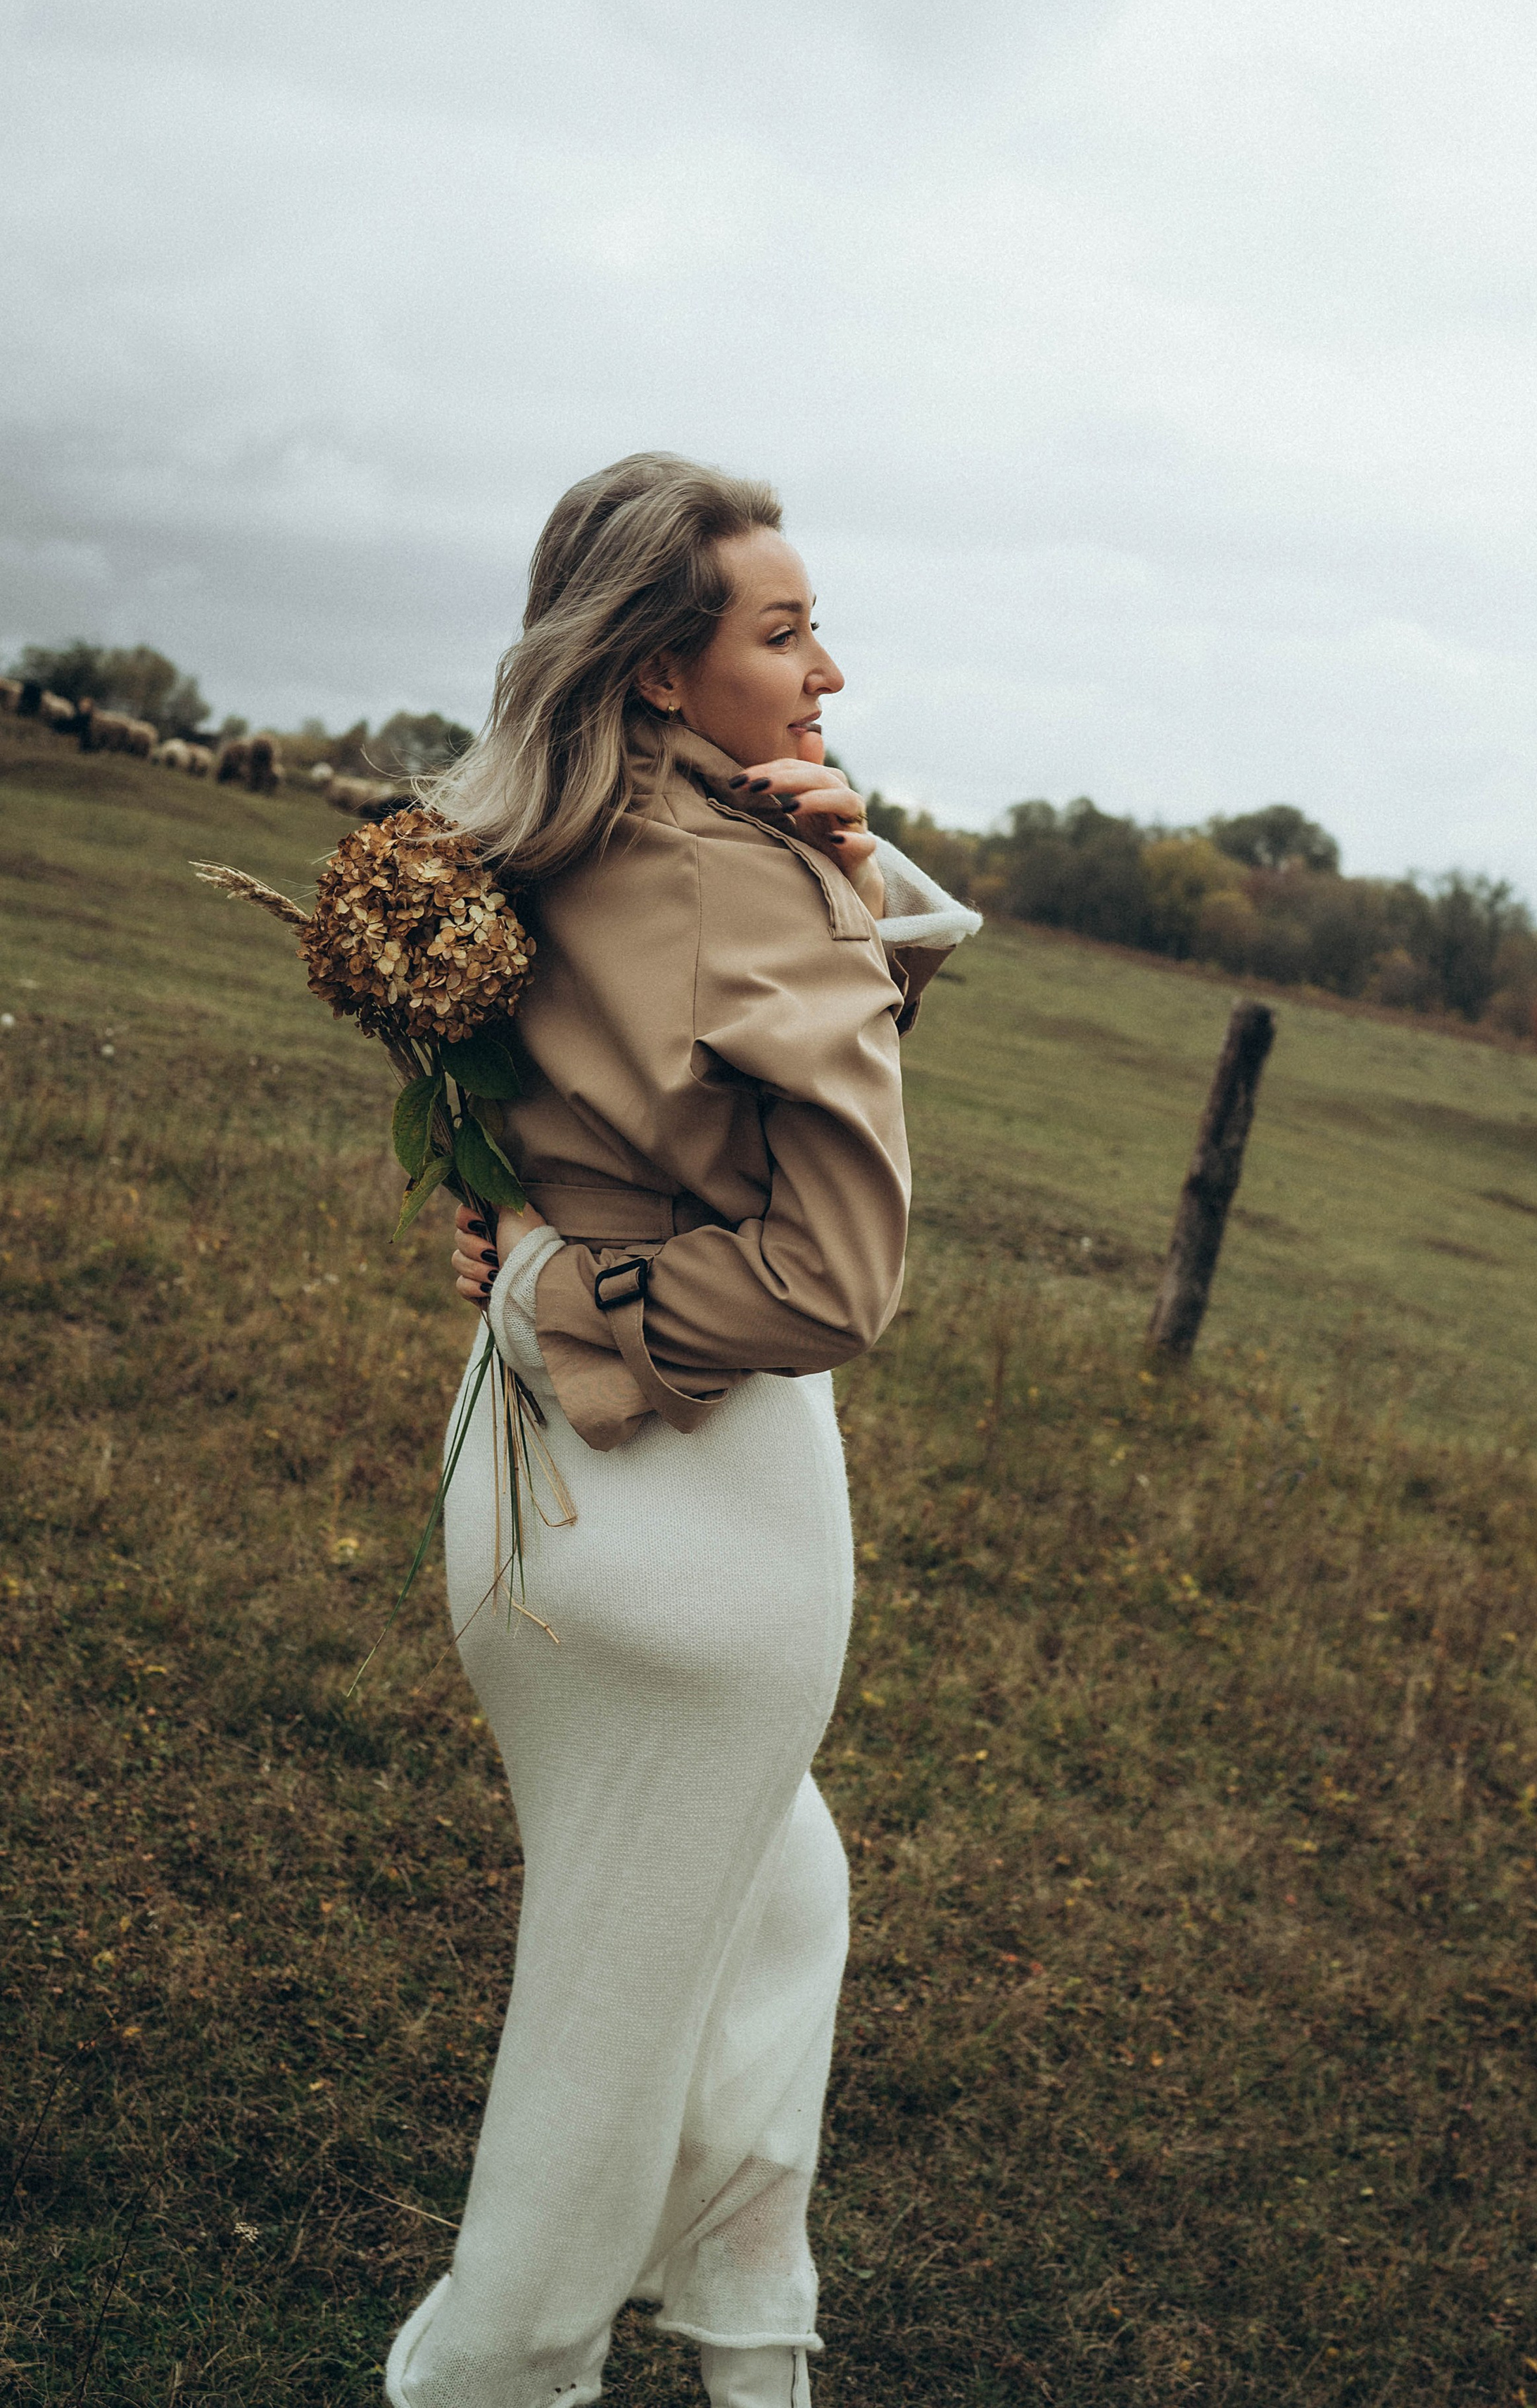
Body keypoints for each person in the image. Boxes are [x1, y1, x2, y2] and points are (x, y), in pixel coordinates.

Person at [384, 454, 980, 2408]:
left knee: (777, 1909)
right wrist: (584, 1303)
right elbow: (834, 1276)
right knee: (608, 2032)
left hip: (520, 1503)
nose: (830, 672)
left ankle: (748, 2346)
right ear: (659, 664)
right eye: (787, 633)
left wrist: (532, 1261)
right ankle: (493, 2373)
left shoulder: (507, 849)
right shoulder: (748, 878)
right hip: (689, 1521)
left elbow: (589, 1117)